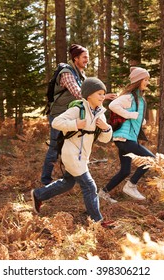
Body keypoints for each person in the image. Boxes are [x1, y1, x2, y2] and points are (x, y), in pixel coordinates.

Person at [32, 77, 113, 225]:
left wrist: (106, 128)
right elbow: (56, 122)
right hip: (71, 154)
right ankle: (97, 220)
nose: (103, 97)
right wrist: (76, 123)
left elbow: (104, 139)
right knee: (89, 186)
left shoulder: (100, 114)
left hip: (83, 157)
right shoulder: (78, 109)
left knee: (67, 183)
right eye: (99, 93)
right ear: (89, 95)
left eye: (104, 94)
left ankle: (38, 194)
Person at [41, 44, 116, 186]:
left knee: (72, 144)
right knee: (54, 148)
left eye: (88, 57)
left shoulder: (81, 75)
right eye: (84, 57)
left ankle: (70, 178)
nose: (87, 60)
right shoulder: (67, 73)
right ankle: (45, 181)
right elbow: (79, 94)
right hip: (60, 115)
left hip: (73, 116)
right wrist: (102, 97)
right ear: (75, 58)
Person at [98, 67, 155, 204]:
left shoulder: (139, 98)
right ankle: (131, 185)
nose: (147, 82)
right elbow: (113, 105)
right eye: (145, 80)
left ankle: (103, 193)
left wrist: (140, 120)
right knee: (150, 159)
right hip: (125, 139)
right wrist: (130, 115)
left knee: (125, 170)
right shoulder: (129, 97)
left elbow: (135, 115)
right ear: (138, 81)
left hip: (125, 139)